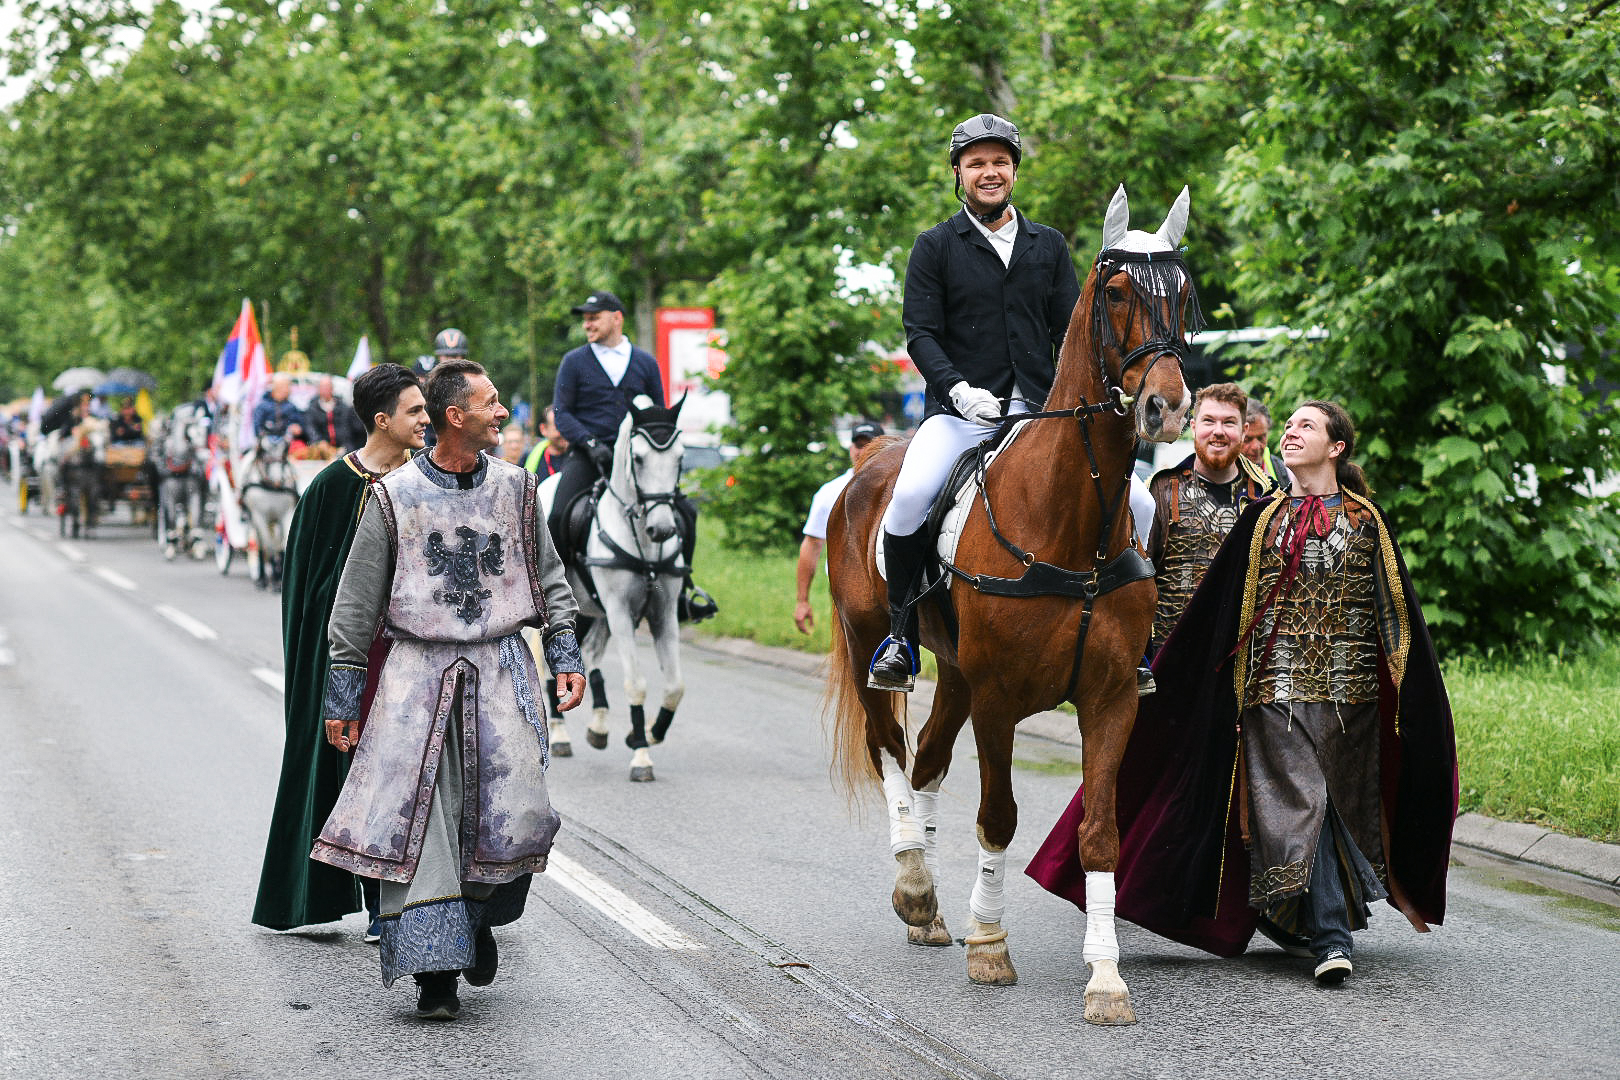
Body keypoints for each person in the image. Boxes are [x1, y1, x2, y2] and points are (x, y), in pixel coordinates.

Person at [1028, 399, 1458, 987]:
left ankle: (1299, 916)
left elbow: (1395, 614)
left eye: (1306, 426)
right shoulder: (1263, 519)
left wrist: (1412, 700)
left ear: (1336, 448)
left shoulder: (1365, 521)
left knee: (1336, 807)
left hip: (1350, 694)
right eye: (1289, 424)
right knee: (1303, 800)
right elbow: (1224, 611)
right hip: (1273, 691)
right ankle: (1332, 936)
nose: (1290, 432)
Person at [311, 358, 586, 1020]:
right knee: (423, 823)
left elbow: (548, 580)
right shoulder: (393, 495)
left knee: (507, 816)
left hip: (501, 674)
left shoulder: (519, 489)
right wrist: (343, 697)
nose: (504, 415)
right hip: (415, 684)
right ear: (453, 416)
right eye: (492, 404)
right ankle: (435, 973)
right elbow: (354, 606)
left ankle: (477, 922)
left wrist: (566, 650)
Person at [867, 112, 1082, 691]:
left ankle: (1134, 638)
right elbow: (921, 333)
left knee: (1134, 499)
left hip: (1040, 414)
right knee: (910, 495)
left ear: (1014, 170)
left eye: (1000, 162)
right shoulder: (935, 246)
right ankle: (901, 636)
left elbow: (1073, 331)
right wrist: (958, 389)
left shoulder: (1049, 245)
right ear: (958, 173)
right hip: (961, 413)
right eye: (977, 163)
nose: (990, 172)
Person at [252, 364, 429, 937]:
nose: (426, 419)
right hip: (356, 659)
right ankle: (376, 904)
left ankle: (439, 901)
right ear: (382, 421)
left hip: (419, 655)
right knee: (362, 774)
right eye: (415, 410)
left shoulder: (431, 480)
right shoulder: (332, 487)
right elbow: (310, 591)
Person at [551, 290, 714, 621]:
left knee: (686, 512)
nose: (587, 324)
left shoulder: (645, 363)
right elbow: (562, 412)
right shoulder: (574, 362)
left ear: (617, 317)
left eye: (594, 317)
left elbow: (659, 414)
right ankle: (553, 591)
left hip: (638, 461)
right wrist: (590, 442)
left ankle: (682, 593)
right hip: (589, 454)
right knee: (557, 515)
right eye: (585, 319)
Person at [1144, 382, 1276, 657]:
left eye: (1229, 422)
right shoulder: (1161, 490)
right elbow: (1138, 582)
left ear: (1244, 431)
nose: (1218, 431)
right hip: (1172, 659)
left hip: (1244, 662)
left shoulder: (1268, 497)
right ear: (1193, 426)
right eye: (1209, 421)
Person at [794, 421, 884, 634]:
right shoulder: (830, 492)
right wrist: (802, 601)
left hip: (887, 591)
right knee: (851, 662)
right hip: (845, 592)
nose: (863, 451)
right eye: (858, 444)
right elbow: (812, 544)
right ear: (851, 448)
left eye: (870, 444)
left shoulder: (897, 489)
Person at [304, 374, 366, 454]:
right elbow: (311, 428)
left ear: (332, 388)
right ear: (318, 389)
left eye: (327, 387)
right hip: (322, 448)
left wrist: (344, 446)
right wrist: (319, 441)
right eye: (323, 387)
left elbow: (347, 428)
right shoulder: (312, 409)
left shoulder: (343, 408)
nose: (325, 390)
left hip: (343, 447)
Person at [1243, 398, 1289, 488]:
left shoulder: (1284, 471)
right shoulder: (1215, 475)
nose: (1256, 446)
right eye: (1247, 439)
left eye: (1261, 437)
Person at [253, 374, 307, 444]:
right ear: (276, 388)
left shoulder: (291, 407)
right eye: (285, 387)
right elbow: (257, 427)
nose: (287, 390)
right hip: (267, 443)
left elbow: (300, 425)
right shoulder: (263, 406)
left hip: (287, 442)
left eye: (288, 387)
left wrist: (297, 428)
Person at [523, 404, 569, 478]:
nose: (563, 432)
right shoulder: (529, 458)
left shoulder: (580, 457)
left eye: (567, 426)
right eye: (558, 427)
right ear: (543, 429)